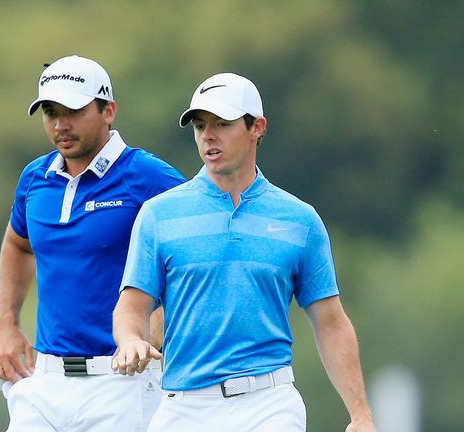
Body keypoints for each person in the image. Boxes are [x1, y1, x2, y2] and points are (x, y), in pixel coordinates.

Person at [112, 72, 377, 432]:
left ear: (257, 127)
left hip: (268, 402)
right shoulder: (158, 214)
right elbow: (132, 306)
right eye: (200, 125)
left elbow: (331, 323)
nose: (208, 135)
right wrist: (130, 339)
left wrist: (361, 415)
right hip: (183, 404)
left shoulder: (299, 219)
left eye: (222, 124)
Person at [0, 55, 185, 432]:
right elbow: (18, 245)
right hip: (44, 381)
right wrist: (5, 324)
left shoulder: (147, 176)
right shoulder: (35, 178)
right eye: (50, 113)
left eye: (73, 112)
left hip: (123, 382)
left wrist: (161, 319)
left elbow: (198, 254)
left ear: (108, 111)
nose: (61, 125)